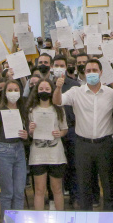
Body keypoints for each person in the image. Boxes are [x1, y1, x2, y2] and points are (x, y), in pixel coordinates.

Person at [54, 59, 113, 212]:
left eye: (94, 70)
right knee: (84, 185)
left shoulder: (111, 93)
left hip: (105, 144)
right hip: (83, 145)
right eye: (88, 71)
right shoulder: (76, 92)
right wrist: (58, 88)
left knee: (108, 184)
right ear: (83, 73)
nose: (91, 73)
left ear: (101, 72)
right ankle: (86, 219)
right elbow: (58, 101)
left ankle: (108, 217)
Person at [28, 79, 70, 211]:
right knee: (39, 190)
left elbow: (65, 129)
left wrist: (60, 133)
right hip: (38, 155)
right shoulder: (31, 110)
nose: (44, 91)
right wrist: (31, 130)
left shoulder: (58, 108)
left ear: (52, 91)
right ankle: (39, 220)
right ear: (37, 91)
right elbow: (29, 134)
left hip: (55, 155)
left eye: (47, 89)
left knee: (57, 189)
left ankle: (60, 219)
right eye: (41, 89)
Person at [0, 78, 29, 212]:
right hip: (3, 151)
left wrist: (26, 134)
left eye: (16, 90)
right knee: (8, 193)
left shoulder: (22, 109)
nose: (13, 93)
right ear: (4, 92)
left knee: (19, 192)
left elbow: (26, 130)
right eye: (10, 90)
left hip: (19, 150)